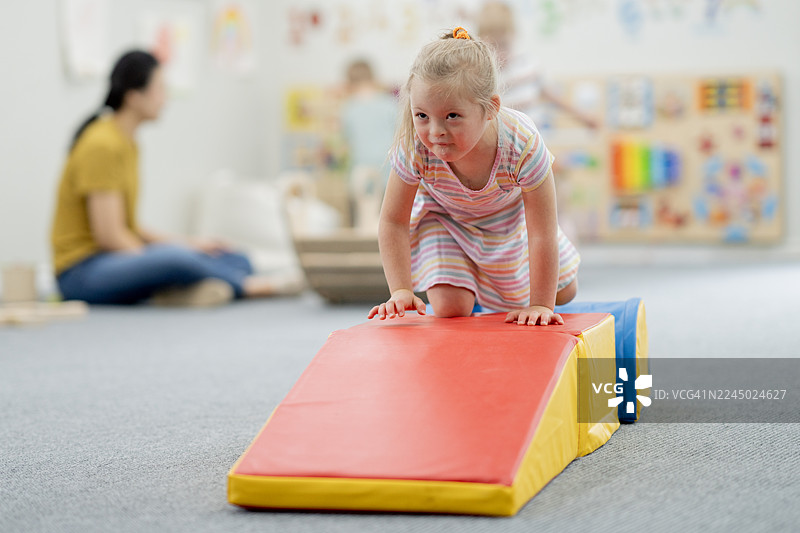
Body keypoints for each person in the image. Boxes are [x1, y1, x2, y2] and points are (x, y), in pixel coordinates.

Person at [367, 27, 579, 326]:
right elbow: (393, 221)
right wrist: (401, 289)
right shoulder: (415, 146)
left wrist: (540, 304)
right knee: (449, 307)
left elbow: (541, 231)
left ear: (490, 108)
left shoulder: (523, 144)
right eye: (422, 116)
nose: (436, 132)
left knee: (565, 292)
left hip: (509, 222)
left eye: (452, 116)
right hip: (446, 221)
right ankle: (464, 281)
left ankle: (489, 282)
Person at [51, 50, 277, 306]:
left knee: (236, 259)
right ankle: (245, 287)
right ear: (134, 97)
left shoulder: (126, 142)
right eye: (160, 89)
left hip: (113, 259)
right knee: (176, 260)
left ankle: (183, 289)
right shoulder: (102, 144)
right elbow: (110, 236)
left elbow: (131, 228)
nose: (165, 98)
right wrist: (164, 258)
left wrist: (192, 244)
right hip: (81, 272)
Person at [478, 1, 598, 130]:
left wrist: (583, 116)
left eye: (504, 45)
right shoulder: (483, 73)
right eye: (492, 47)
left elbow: (553, 97)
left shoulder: (527, 65)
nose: (499, 54)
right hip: (503, 136)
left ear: (514, 36)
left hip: (534, 134)